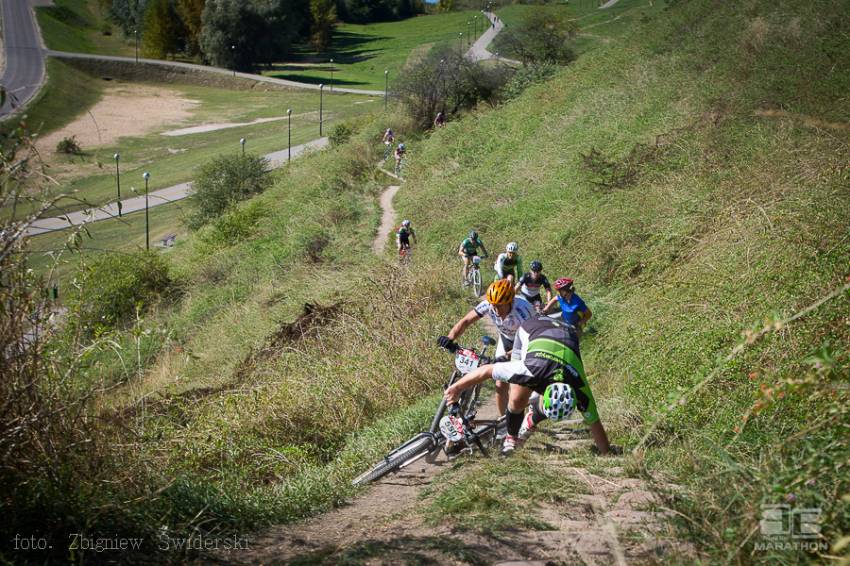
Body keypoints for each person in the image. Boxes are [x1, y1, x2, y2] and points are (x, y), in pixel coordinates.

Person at [444, 316, 611, 456]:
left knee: (532, 400)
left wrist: (606, 453)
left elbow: (595, 423)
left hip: (566, 334)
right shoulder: (529, 370)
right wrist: (456, 388)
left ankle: (535, 414)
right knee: (517, 399)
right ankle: (511, 436)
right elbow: (487, 370)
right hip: (531, 329)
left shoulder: (581, 389)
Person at [438, 279, 534, 415]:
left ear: (510, 302)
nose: (496, 310)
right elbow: (466, 321)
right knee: (500, 384)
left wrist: (507, 356)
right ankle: (504, 422)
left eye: (500, 306)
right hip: (506, 340)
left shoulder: (523, 310)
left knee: (518, 386)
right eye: (493, 306)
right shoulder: (489, 305)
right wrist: (450, 338)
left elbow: (531, 341)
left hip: (524, 343)